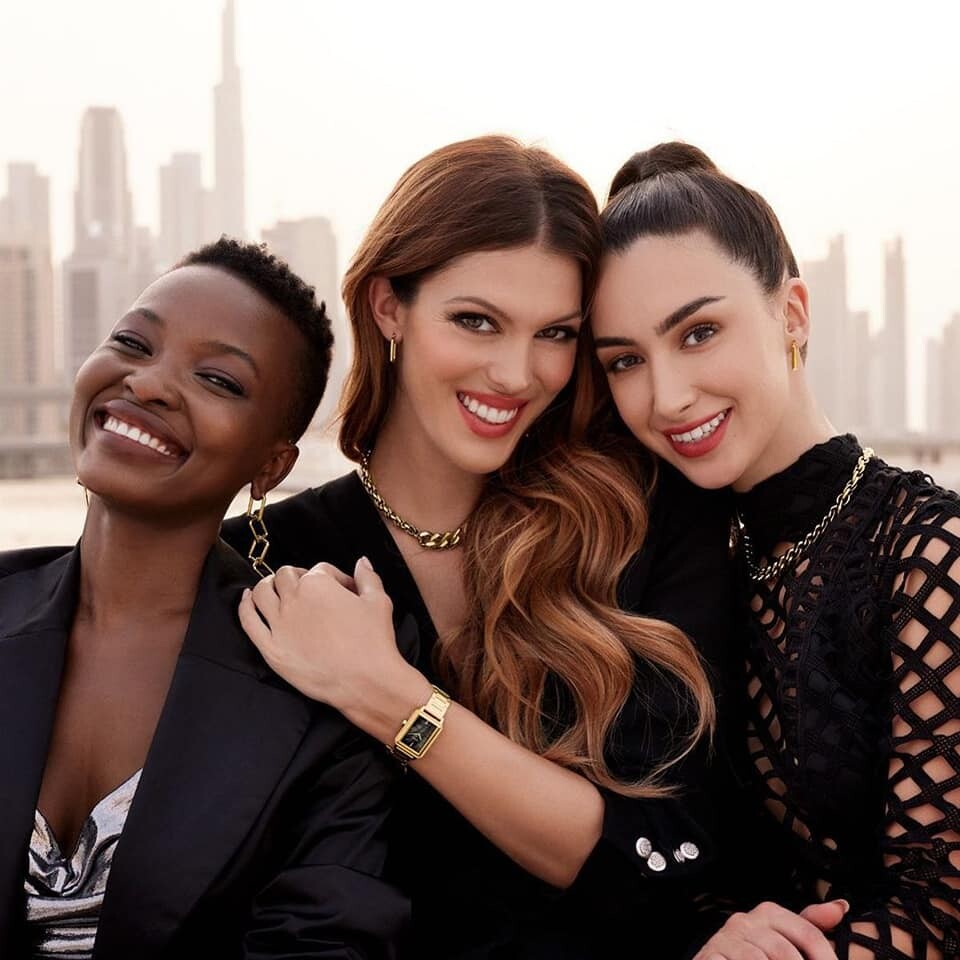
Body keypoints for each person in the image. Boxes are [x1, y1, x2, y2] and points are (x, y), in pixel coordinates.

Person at [222, 135, 842, 959]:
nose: (517, 374)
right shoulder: (266, 559)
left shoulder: (638, 523)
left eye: (555, 333)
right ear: (388, 307)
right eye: (476, 321)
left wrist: (391, 697)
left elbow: (662, 847)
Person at [591, 142, 960, 960]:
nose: (666, 396)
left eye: (699, 332)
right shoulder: (666, 560)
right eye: (625, 360)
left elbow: (941, 911)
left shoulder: (930, 553)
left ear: (792, 313)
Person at [0, 238, 407, 959]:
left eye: (217, 379)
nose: (149, 383)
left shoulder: (324, 686)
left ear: (272, 465)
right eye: (133, 343)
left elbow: (323, 942)